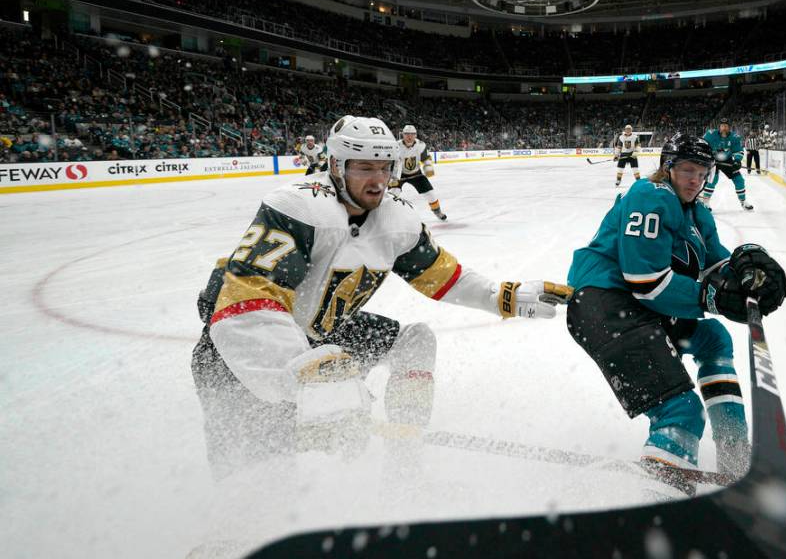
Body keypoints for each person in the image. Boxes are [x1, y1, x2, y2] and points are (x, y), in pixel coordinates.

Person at [191, 116, 570, 479]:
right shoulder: (299, 206)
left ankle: (404, 471)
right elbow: (246, 302)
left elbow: (443, 277)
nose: (378, 181)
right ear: (336, 165)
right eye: (364, 168)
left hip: (321, 341)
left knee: (413, 342)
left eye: (384, 168)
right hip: (238, 355)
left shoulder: (396, 218)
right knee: (257, 500)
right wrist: (303, 377)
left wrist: (502, 296)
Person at [565, 133, 786, 490]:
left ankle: (734, 453)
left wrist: (749, 272)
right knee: (681, 411)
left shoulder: (698, 214)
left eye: (702, 172)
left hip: (639, 309)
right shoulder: (648, 196)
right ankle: (662, 509)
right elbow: (646, 281)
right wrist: (714, 299)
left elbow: (717, 265)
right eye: (687, 169)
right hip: (604, 305)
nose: (695, 180)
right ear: (667, 167)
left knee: (714, 339)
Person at [390, 124, 446, 220]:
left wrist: (428, 167)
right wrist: (392, 177)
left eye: (412, 134)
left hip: (416, 174)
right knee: (392, 194)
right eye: (407, 134)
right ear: (402, 134)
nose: (409, 136)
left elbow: (426, 158)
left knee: (430, 194)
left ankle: (437, 211)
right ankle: (388, 216)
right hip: (399, 174)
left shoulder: (421, 145)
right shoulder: (395, 146)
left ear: (415, 135)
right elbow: (390, 162)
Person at [700, 119, 753, 211]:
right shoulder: (710, 134)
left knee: (739, 180)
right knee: (712, 180)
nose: (724, 128)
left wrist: (737, 161)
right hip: (713, 160)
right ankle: (706, 203)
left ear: (729, 127)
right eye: (722, 126)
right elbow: (702, 145)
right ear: (719, 127)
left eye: (726, 126)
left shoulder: (734, 137)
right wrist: (706, 156)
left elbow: (738, 151)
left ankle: (743, 202)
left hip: (727, 160)